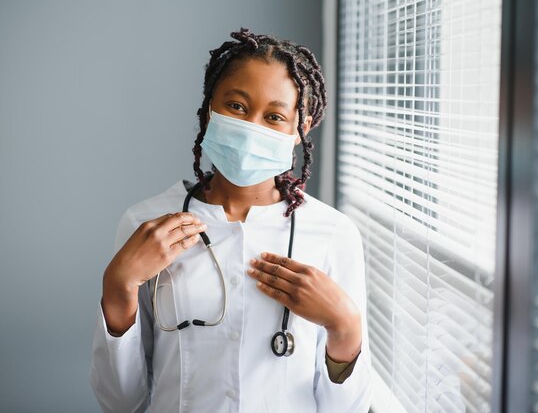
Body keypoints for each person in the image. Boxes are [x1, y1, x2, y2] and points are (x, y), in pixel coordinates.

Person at [90, 28, 372, 413]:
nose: (252, 127)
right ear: (210, 108)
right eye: (237, 107)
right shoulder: (147, 223)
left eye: (274, 116)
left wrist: (345, 326)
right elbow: (122, 402)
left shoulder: (333, 234)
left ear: (299, 131)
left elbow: (345, 408)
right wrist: (118, 286)